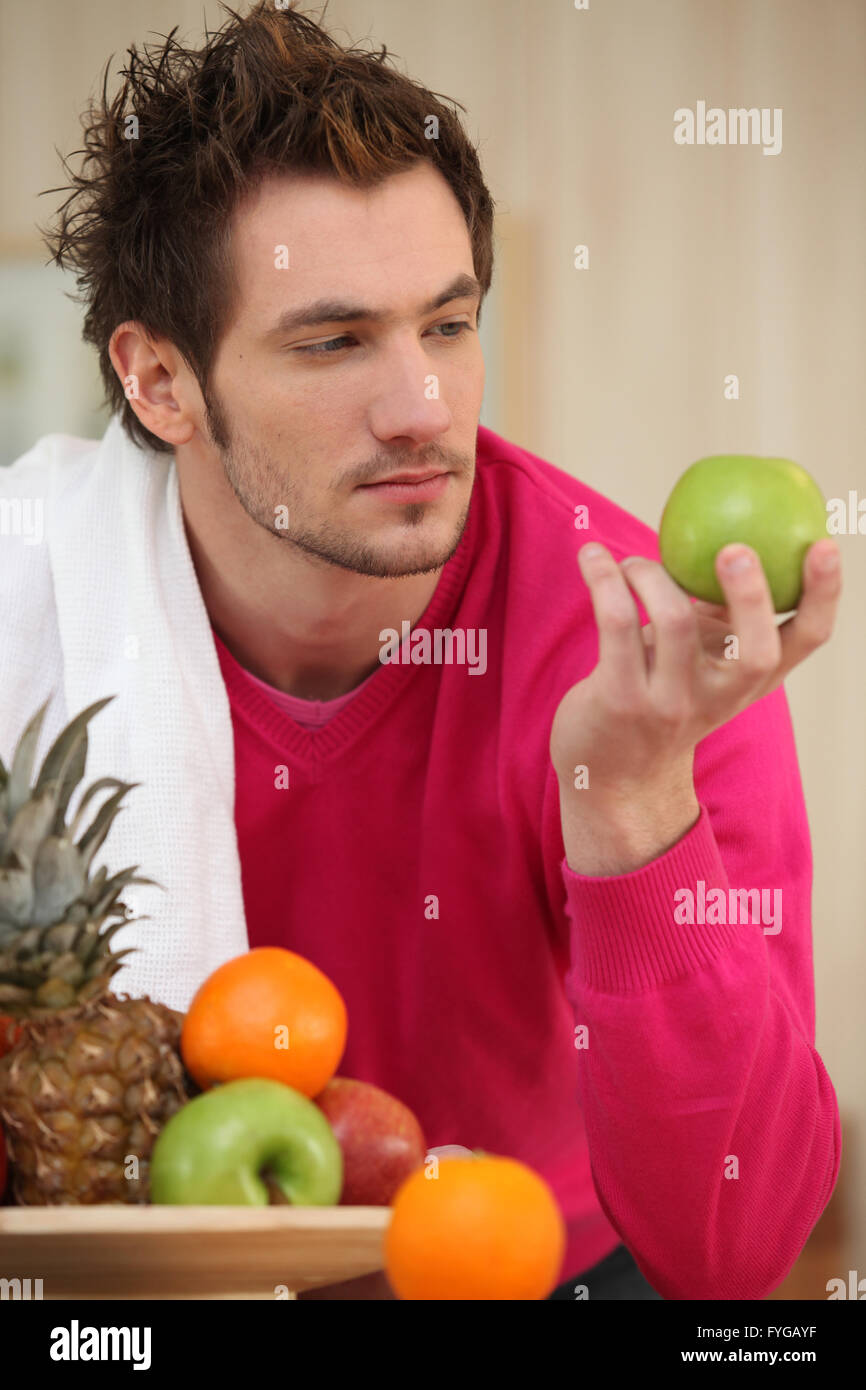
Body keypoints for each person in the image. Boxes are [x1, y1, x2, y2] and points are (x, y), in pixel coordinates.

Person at [0, 2, 842, 1300]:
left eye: (446, 325)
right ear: (160, 381)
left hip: (532, 1262)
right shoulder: (33, 612)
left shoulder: (645, 651)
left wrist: (630, 803)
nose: (423, 408)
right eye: (335, 341)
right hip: (148, 1283)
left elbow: (730, 1250)